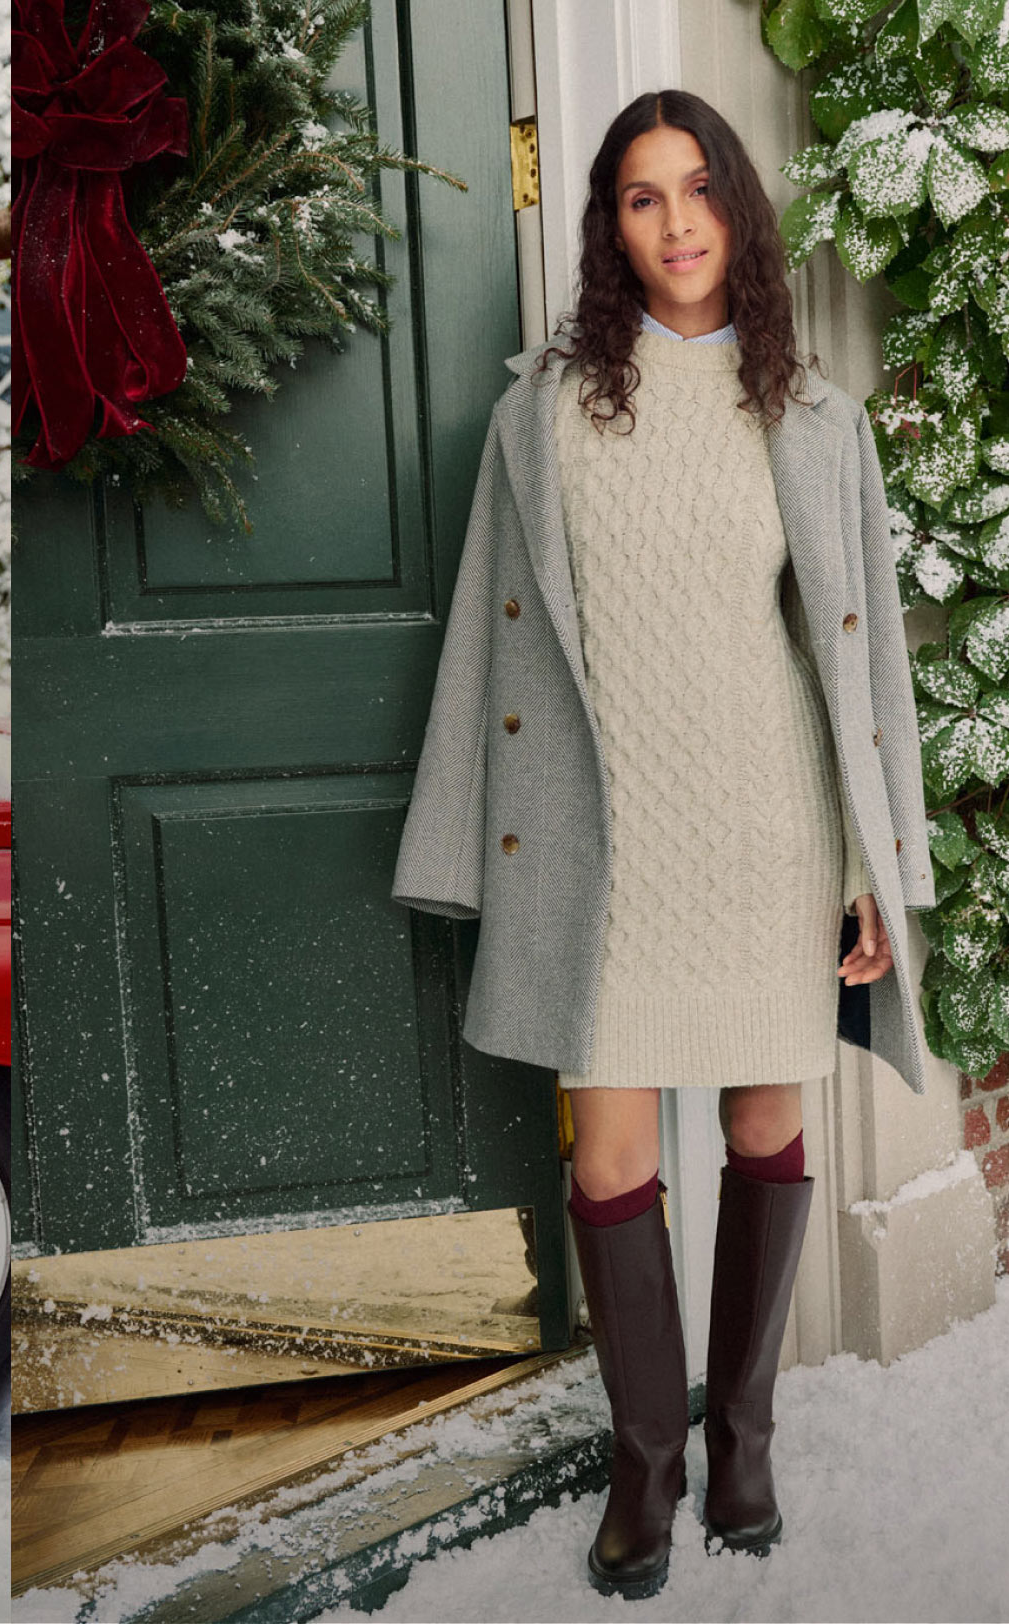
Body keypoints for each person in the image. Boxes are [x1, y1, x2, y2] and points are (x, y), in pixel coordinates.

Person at [392, 89, 935, 1599]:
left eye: (700, 190)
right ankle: (650, 1460)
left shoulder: (813, 418)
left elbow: (864, 664)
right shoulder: (544, 412)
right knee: (614, 1152)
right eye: (642, 197)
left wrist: (875, 869)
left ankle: (744, 1438)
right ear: (607, 228)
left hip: (773, 822)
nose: (678, 222)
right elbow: (489, 652)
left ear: (739, 211)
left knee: (767, 1129)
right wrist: (464, 853)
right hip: (603, 841)